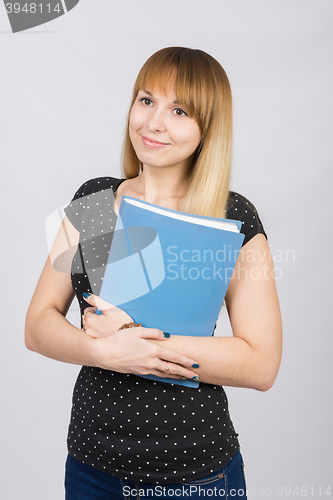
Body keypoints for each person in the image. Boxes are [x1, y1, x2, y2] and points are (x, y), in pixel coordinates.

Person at [25, 47, 282, 499]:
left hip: (196, 474)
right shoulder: (96, 202)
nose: (154, 122)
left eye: (179, 110)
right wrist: (104, 352)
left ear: (208, 129)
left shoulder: (231, 217)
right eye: (146, 100)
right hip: (92, 467)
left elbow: (261, 363)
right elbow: (38, 322)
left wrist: (131, 339)